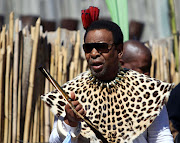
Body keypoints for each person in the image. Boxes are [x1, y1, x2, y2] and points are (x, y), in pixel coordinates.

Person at [41, 7, 174, 143]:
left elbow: (161, 137)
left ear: (119, 50)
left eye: (102, 47)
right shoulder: (73, 93)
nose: (93, 54)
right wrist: (70, 122)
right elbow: (55, 141)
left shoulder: (147, 90)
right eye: (88, 48)